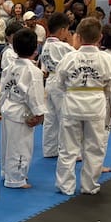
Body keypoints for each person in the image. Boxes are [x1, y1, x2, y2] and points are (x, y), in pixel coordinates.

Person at [54, 17, 111, 196]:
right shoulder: (107, 59)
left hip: (72, 104)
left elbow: (58, 83)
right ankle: (89, 185)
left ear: (78, 36)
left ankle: (65, 186)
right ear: (100, 37)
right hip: (96, 104)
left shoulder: (69, 57)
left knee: (67, 148)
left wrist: (72, 90)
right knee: (94, 147)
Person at [0, 27, 46, 189]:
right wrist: (39, 114)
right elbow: (35, 95)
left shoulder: (9, 67)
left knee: (8, 145)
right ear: (35, 48)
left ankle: (6, 172)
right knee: (20, 147)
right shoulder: (33, 71)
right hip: (22, 113)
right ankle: (16, 179)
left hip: (8, 109)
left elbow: (3, 89)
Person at [38, 13, 74, 159]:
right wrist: (72, 42)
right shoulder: (63, 46)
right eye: (67, 30)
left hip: (49, 83)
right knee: (65, 117)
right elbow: (78, 56)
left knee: (50, 118)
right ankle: (68, 150)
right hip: (61, 84)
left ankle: (50, 149)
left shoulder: (46, 45)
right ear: (62, 30)